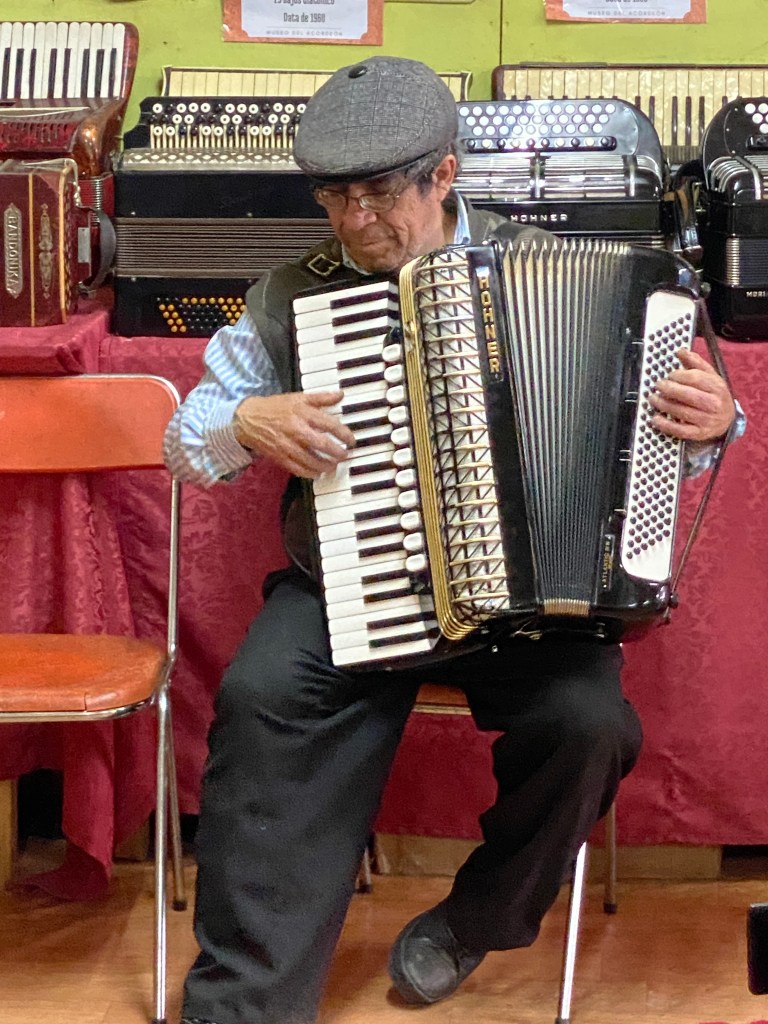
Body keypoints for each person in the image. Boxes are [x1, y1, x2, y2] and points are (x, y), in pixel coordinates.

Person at [163, 56, 741, 1024]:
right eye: (334, 198)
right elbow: (187, 443)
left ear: (443, 174)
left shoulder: (561, 270)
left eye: (379, 195)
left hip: (527, 600)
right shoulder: (288, 296)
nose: (356, 223)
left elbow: (682, 435)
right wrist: (245, 423)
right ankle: (243, 1007)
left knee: (590, 728)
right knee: (261, 697)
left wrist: (710, 423)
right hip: (346, 584)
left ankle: (478, 919)